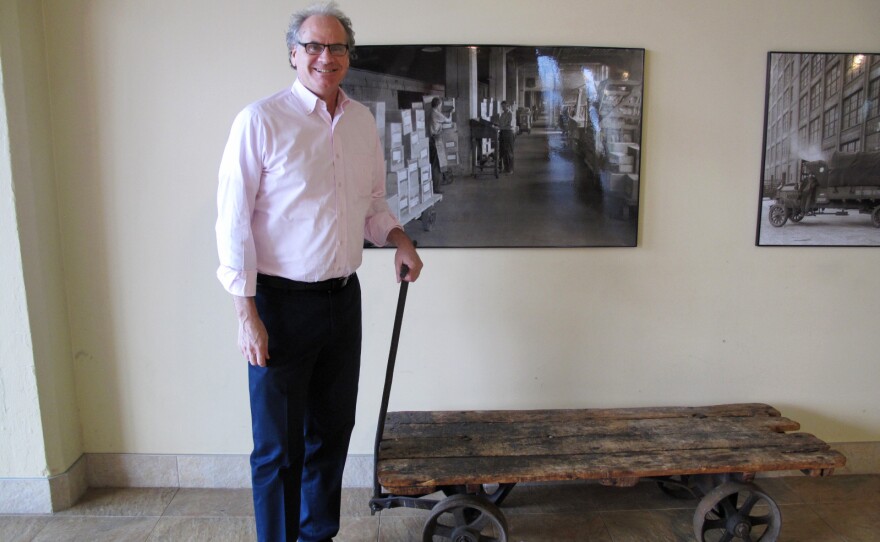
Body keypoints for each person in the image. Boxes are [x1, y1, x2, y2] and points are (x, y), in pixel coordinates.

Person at [214, 3, 422, 541]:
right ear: (293, 54)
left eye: (336, 48)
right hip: (279, 306)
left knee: (331, 436)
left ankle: (317, 536)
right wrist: (246, 315)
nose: (325, 57)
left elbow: (373, 206)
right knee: (278, 448)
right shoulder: (260, 121)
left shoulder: (360, 121)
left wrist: (399, 239)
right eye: (314, 46)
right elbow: (233, 225)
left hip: (341, 301)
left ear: (348, 57)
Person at [428, 96, 455, 193]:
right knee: (437, 164)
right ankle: (436, 188)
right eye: (440, 105)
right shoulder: (435, 113)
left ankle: (436, 186)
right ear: (438, 105)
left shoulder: (433, 112)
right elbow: (447, 120)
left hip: (433, 139)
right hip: (435, 139)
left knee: (436, 163)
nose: (441, 107)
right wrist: (451, 113)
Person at [498, 101, 515, 173]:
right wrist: (498, 127)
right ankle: (505, 168)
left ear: (507, 106)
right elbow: (500, 124)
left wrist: (500, 127)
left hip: (508, 133)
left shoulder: (510, 114)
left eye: (504, 106)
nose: (503, 108)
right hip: (502, 133)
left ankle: (510, 169)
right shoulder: (502, 114)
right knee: (503, 151)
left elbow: (509, 126)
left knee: (509, 152)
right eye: (502, 106)